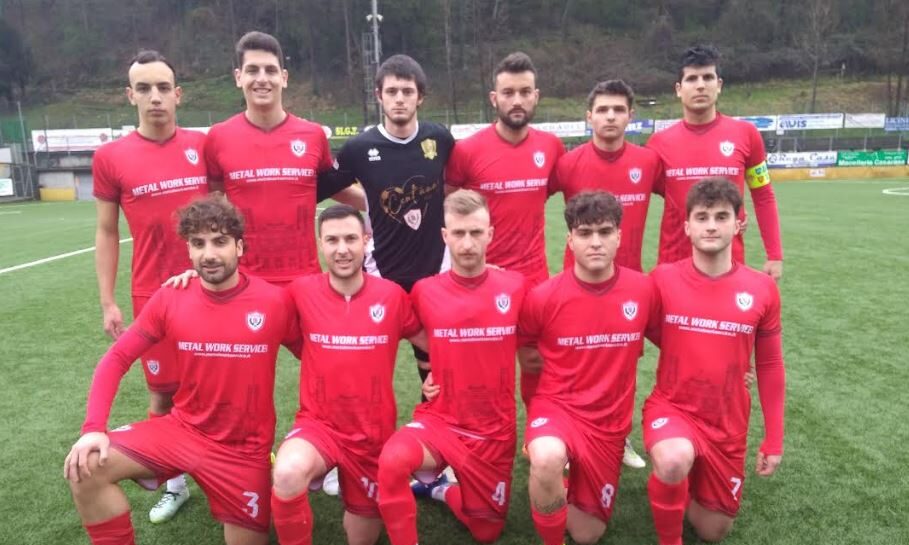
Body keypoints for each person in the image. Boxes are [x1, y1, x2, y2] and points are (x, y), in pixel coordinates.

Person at [64, 194, 301, 545]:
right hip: (182, 431)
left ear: (239, 247)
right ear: (188, 250)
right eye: (198, 243)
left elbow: (316, 357)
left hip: (243, 452)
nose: (209, 254)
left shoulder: (274, 301)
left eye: (220, 241)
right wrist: (93, 428)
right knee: (85, 469)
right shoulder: (172, 296)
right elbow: (116, 358)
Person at [91, 49, 207, 522]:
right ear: (130, 95)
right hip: (152, 296)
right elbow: (105, 231)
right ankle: (174, 483)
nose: (154, 97)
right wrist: (107, 301)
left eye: (162, 88)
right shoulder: (110, 157)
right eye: (144, 88)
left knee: (226, 383)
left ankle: (240, 461)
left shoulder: (203, 146)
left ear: (178, 94)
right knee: (163, 393)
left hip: (210, 290)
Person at [376, 190, 526, 545]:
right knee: (392, 460)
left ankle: (440, 490)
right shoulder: (424, 291)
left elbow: (537, 348)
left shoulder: (516, 287)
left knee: (486, 533)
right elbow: (413, 332)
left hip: (493, 431)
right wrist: (433, 371)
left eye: (476, 232)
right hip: (442, 420)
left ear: (490, 234)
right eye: (458, 233)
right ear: (445, 235)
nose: (468, 243)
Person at [271, 204, 425, 545]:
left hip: (372, 434)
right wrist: (194, 280)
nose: (342, 249)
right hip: (319, 425)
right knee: (287, 472)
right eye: (332, 240)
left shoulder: (391, 296)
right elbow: (250, 303)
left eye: (351, 239)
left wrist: (436, 373)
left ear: (366, 240)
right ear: (320, 244)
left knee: (362, 538)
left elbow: (431, 340)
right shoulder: (300, 291)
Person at [643, 178, 785, 545]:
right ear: (686, 226)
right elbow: (634, 328)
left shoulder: (761, 288)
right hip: (673, 408)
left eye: (721, 217)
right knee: (673, 459)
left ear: (738, 224)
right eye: (702, 217)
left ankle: (686, 479)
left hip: (727, 421)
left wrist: (773, 439)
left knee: (713, 532)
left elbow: (770, 365)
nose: (711, 225)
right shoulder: (662, 279)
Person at [519, 191, 659, 545]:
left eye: (604, 231)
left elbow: (674, 341)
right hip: (558, 408)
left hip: (609, 424)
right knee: (546, 457)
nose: (595, 242)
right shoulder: (544, 296)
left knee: (587, 535)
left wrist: (736, 366)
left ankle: (558, 487)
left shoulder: (643, 290)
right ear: (570, 239)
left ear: (619, 236)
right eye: (584, 233)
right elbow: (522, 351)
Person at [317, 54, 454, 400]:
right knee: (369, 360)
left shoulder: (439, 139)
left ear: (420, 97)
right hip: (381, 272)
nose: (399, 99)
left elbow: (454, 182)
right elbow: (327, 187)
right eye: (391, 91)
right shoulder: (360, 148)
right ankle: (364, 423)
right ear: (379, 96)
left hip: (434, 269)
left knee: (433, 360)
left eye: (407, 91)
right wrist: (371, 202)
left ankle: (431, 420)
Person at [550, 80, 662, 469]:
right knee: (575, 363)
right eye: (602, 110)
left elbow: (686, 199)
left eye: (618, 109)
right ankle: (569, 438)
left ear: (631, 116)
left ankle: (619, 436)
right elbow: (527, 202)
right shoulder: (568, 164)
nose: (610, 116)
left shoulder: (649, 162)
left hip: (630, 287)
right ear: (589, 117)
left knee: (622, 367)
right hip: (577, 284)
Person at [444, 51, 565, 404]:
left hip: (533, 277)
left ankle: (538, 427)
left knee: (534, 359)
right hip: (480, 276)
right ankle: (471, 428)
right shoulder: (467, 151)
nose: (517, 100)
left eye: (525, 92)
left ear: (536, 96)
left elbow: (548, 193)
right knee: (477, 364)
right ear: (494, 98)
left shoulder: (551, 147)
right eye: (508, 93)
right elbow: (448, 205)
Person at [205, 31, 363, 287]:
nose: (262, 79)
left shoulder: (313, 135)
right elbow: (212, 199)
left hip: (306, 281)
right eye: (252, 70)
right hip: (244, 282)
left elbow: (331, 188)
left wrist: (379, 203)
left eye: (270, 70)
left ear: (284, 77)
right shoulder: (218, 137)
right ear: (238, 77)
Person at [646, 45, 783, 281]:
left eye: (708, 77)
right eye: (692, 79)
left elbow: (763, 195)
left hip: (728, 265)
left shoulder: (746, 134)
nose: (700, 85)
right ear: (679, 89)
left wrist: (775, 254)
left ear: (719, 85)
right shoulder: (658, 143)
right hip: (674, 268)